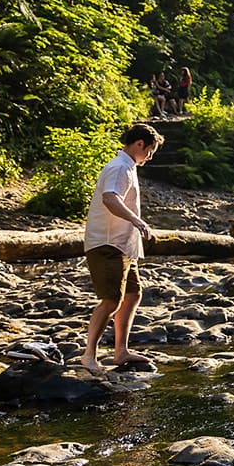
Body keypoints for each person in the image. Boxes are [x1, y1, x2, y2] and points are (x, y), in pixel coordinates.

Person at [81, 122, 164, 371]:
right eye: (149, 151)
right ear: (139, 144)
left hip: (122, 246)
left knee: (133, 294)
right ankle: (89, 356)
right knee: (111, 300)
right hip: (107, 244)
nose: (149, 157)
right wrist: (137, 221)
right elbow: (110, 198)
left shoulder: (127, 167)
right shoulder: (119, 167)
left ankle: (121, 352)